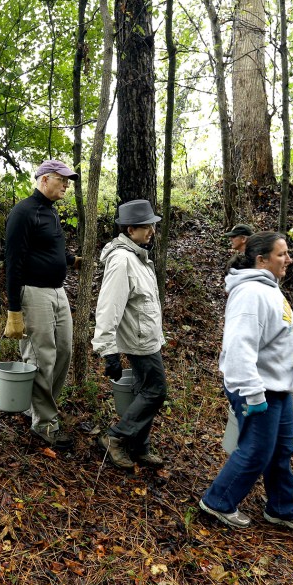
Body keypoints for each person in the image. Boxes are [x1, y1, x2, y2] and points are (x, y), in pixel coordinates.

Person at [199, 231, 293, 537]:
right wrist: (252, 394)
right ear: (261, 259)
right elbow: (239, 346)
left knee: (280, 450)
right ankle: (218, 502)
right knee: (256, 451)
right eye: (282, 254)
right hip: (259, 389)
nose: (289, 259)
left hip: (277, 387)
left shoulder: (269, 289)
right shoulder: (250, 293)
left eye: (287, 253)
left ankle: (281, 508)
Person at [3, 159, 80, 449]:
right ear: (45, 179)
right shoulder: (23, 212)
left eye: (68, 180)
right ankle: (45, 423)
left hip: (58, 292)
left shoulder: (50, 212)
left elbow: (50, 246)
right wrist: (14, 311)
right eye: (62, 179)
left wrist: (71, 260)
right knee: (41, 358)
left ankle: (38, 407)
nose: (67, 185)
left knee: (65, 351)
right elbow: (13, 262)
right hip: (33, 293)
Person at [93, 199, 167, 469]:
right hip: (139, 342)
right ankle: (115, 437)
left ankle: (139, 446)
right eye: (145, 226)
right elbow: (108, 306)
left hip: (147, 337)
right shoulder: (122, 260)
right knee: (156, 390)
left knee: (143, 391)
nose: (151, 231)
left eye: (152, 225)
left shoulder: (138, 255)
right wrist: (108, 349)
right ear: (129, 229)